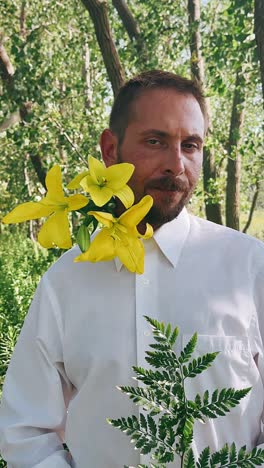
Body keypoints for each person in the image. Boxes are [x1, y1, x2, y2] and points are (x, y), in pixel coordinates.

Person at [0, 70, 263, 467]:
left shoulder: (250, 268)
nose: (176, 164)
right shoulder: (67, 282)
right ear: (110, 150)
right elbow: (24, 430)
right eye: (155, 141)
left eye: (190, 145)